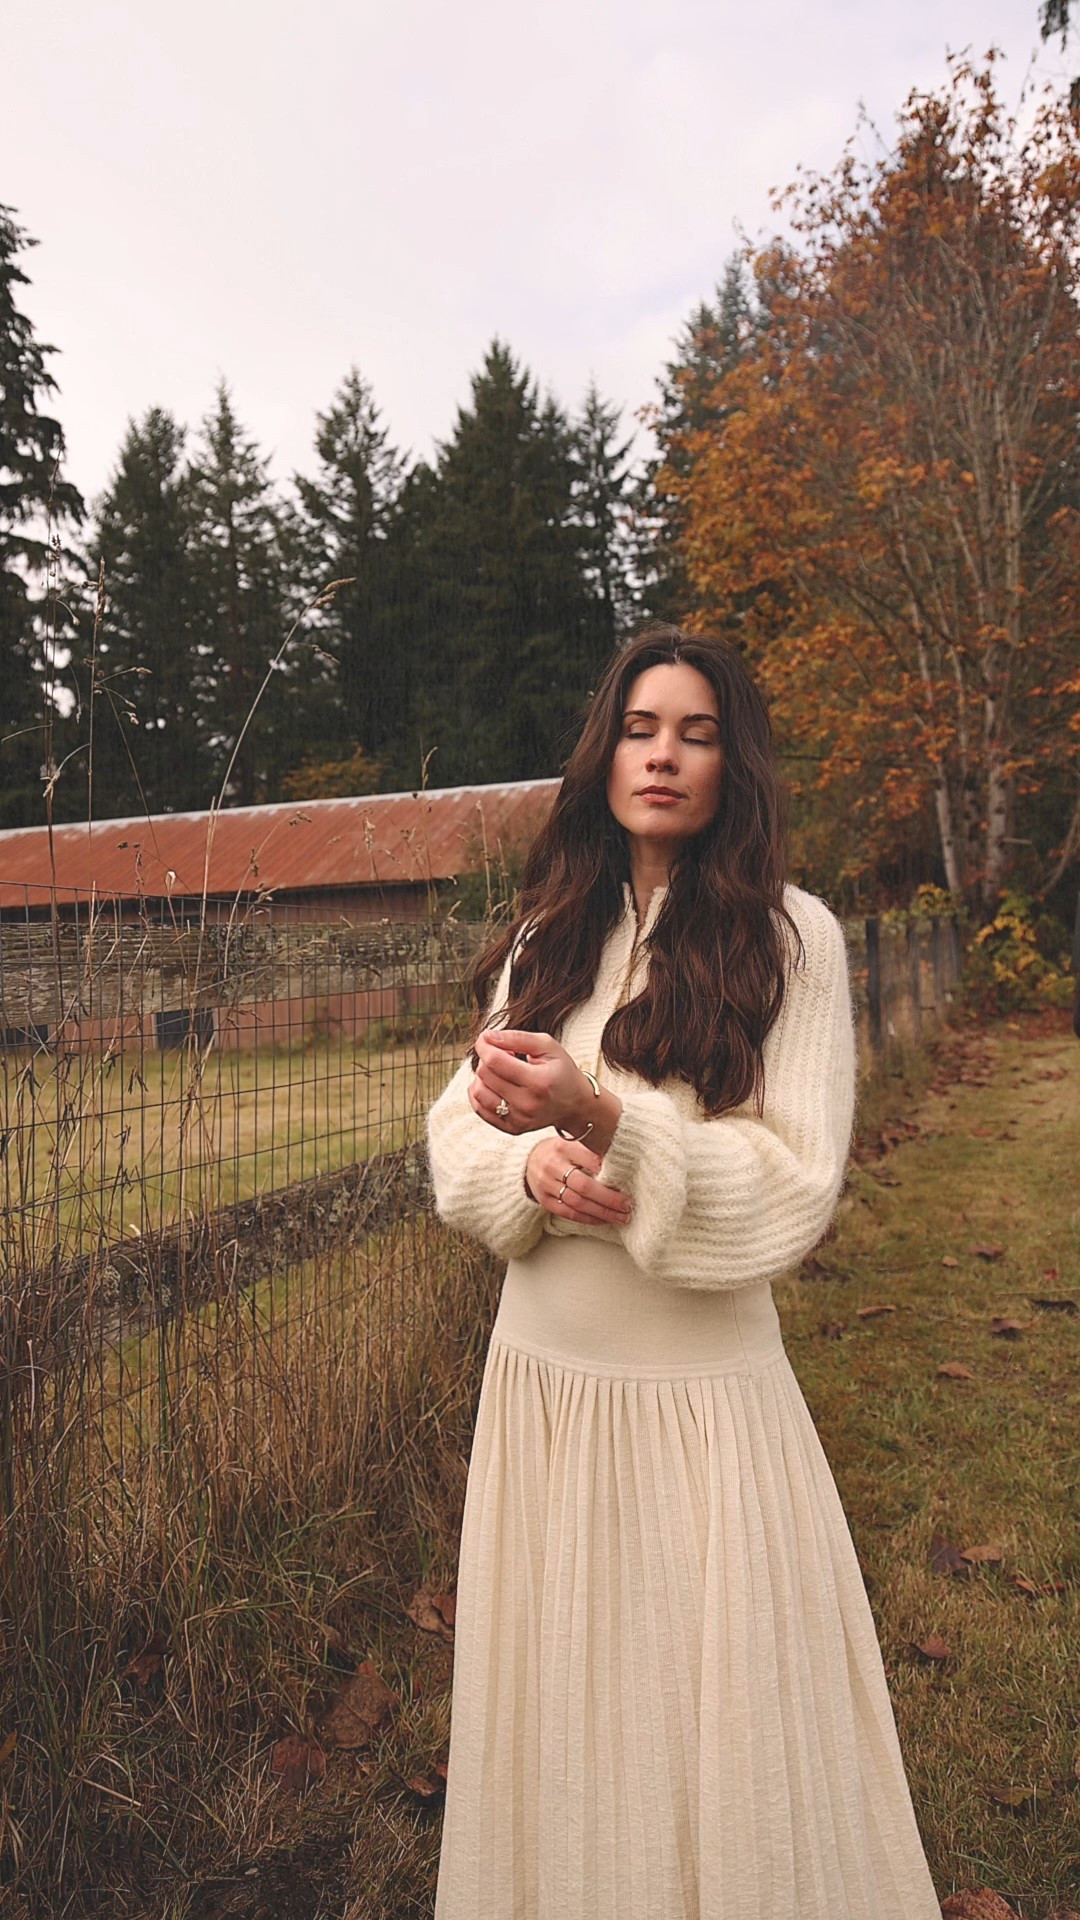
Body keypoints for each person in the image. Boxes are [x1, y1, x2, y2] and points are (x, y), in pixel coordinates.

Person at [425, 624, 941, 1919]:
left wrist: (604, 1121)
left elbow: (797, 1186)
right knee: (564, 1717)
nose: (664, 755)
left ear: (733, 767)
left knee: (729, 1730)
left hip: (702, 1402)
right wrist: (522, 1176)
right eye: (643, 728)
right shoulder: (550, 933)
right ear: (606, 754)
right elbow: (454, 1137)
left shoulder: (794, 940)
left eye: (697, 734)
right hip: (545, 1382)